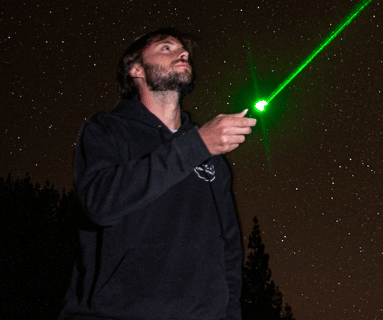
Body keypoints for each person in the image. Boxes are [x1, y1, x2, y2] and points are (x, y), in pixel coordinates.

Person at [59, 28, 255, 319]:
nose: (182, 53)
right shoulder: (107, 130)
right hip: (115, 313)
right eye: (166, 48)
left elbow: (228, 247)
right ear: (136, 69)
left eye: (183, 50)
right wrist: (196, 146)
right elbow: (100, 204)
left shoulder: (210, 153)